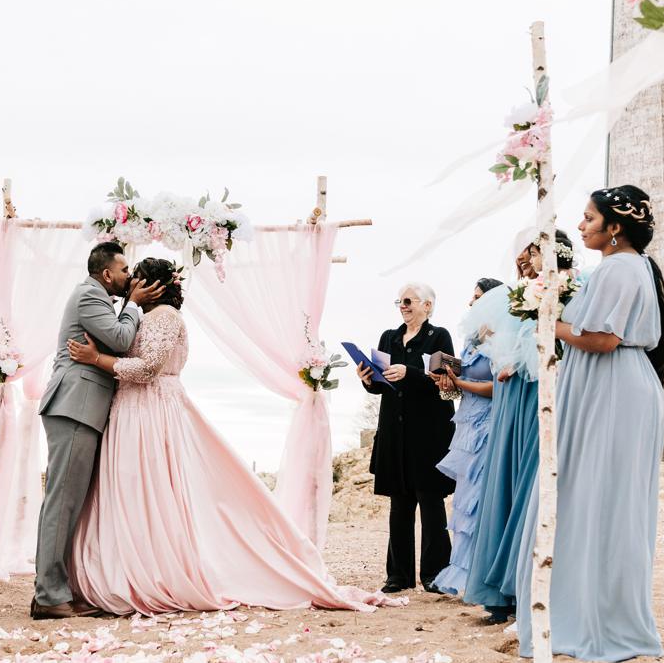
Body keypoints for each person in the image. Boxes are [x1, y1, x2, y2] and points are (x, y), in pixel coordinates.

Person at [65, 258, 394, 615]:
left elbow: (147, 369)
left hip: (150, 411)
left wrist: (97, 359)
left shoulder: (165, 318)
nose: (130, 284)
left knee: (153, 489)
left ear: (155, 286)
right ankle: (129, 563)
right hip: (133, 411)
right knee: (131, 489)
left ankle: (156, 569)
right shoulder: (145, 317)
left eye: (136, 278)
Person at [515, 185, 664, 662]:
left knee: (597, 497)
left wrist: (547, 319)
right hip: (611, 386)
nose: (580, 226)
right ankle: (586, 608)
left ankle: (596, 618)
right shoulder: (628, 268)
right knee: (597, 498)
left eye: (588, 218)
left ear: (615, 226)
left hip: (612, 390)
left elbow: (602, 339)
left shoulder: (620, 270)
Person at [31, 242, 164, 620]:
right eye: (124, 271)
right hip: (74, 405)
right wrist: (135, 305)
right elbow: (120, 341)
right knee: (62, 501)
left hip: (84, 408)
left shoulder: (101, 297)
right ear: (107, 273)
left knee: (70, 503)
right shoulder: (90, 295)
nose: (129, 277)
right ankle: (49, 596)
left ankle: (58, 589)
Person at [464, 233, 574, 625]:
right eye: (523, 257)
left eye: (532, 256)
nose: (525, 263)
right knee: (506, 480)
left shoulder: (569, 288)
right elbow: (486, 338)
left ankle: (522, 580)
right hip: (512, 392)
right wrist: (504, 353)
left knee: (530, 478)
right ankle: (499, 589)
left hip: (537, 391)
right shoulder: (512, 296)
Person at [358, 283, 456, 593]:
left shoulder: (439, 336)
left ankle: (435, 576)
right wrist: (368, 381)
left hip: (429, 434)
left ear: (427, 306)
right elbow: (381, 384)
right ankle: (398, 576)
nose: (403, 305)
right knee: (399, 506)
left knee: (431, 503)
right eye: (400, 300)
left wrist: (410, 372)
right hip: (394, 433)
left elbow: (448, 383)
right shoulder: (389, 337)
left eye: (409, 300)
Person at [427, 278, 503, 599]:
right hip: (466, 425)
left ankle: (481, 575)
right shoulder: (471, 341)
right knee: (464, 502)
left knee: (482, 500)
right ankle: (461, 574)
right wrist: (447, 384)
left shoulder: (502, 338)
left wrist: (464, 383)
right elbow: (462, 383)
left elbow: (499, 387)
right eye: (471, 297)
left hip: (489, 424)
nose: (471, 303)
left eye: (478, 298)